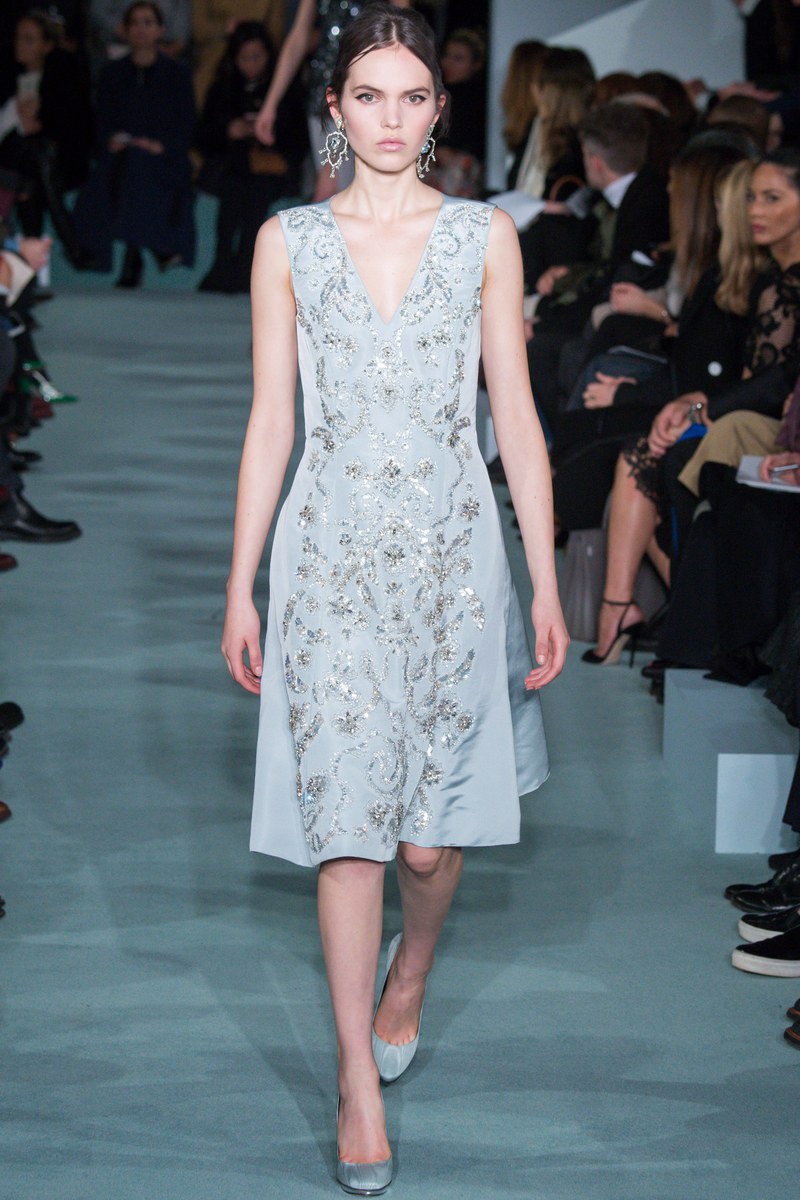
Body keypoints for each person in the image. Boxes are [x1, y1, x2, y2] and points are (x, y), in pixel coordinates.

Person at [221, 4, 567, 1192]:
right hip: (326, 562)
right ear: (334, 107)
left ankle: (409, 971)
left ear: (436, 110)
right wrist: (241, 583)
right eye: (367, 96)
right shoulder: (287, 242)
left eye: (411, 97)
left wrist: (543, 578)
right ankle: (354, 1087)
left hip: (455, 563)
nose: (389, 118)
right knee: (351, 831)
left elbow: (515, 416)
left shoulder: (482, 237)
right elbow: (271, 423)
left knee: (426, 843)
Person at [584, 150, 800, 665]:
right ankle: (638, 612)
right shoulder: (764, 275)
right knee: (638, 451)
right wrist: (695, 403)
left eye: (772, 198)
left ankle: (667, 619)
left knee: (652, 456)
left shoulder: (781, 283)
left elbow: (775, 382)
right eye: (751, 198)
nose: (755, 210)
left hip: (766, 429)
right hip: (742, 415)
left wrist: (701, 407)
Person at [73, 2, 196, 287]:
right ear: (125, 30)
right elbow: (101, 121)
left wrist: (159, 146)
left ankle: (133, 255)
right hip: (122, 157)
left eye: (148, 22)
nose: (141, 29)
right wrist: (111, 141)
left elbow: (187, 123)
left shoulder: (177, 74)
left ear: (161, 30)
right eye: (135, 23)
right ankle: (144, 250)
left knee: (138, 168)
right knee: (126, 169)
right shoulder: (112, 73)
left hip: (163, 158)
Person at [253, 0, 413, 202]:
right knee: (335, 190)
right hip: (322, 98)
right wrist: (270, 104)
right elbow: (298, 38)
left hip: (368, 96)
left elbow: (405, 32)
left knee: (336, 189)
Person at [195, 21, 307, 293]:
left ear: (269, 55)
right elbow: (202, 136)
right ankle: (223, 263)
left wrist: (270, 131)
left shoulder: (285, 87)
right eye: (244, 58)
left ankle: (245, 266)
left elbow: (300, 138)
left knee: (256, 193)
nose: (251, 65)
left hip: (273, 170)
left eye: (257, 57)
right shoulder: (224, 87)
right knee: (234, 191)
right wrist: (229, 130)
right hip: (232, 167)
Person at [0, 11, 93, 264]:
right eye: (18, 38)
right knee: (34, 163)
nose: (20, 45)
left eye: (29, 39)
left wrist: (37, 125)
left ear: (47, 45)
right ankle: (71, 243)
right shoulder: (7, 80)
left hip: (52, 165)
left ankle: (32, 263)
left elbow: (71, 132)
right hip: (13, 163)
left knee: (35, 172)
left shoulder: (62, 80)